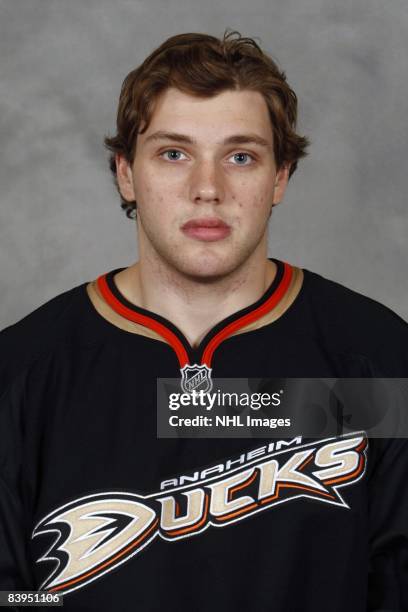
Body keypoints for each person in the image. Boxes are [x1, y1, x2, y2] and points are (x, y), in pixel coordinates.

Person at [0, 29, 407, 612]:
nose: (207, 189)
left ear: (280, 177)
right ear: (125, 173)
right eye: (174, 153)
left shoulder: (375, 364)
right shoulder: (22, 374)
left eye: (240, 156)